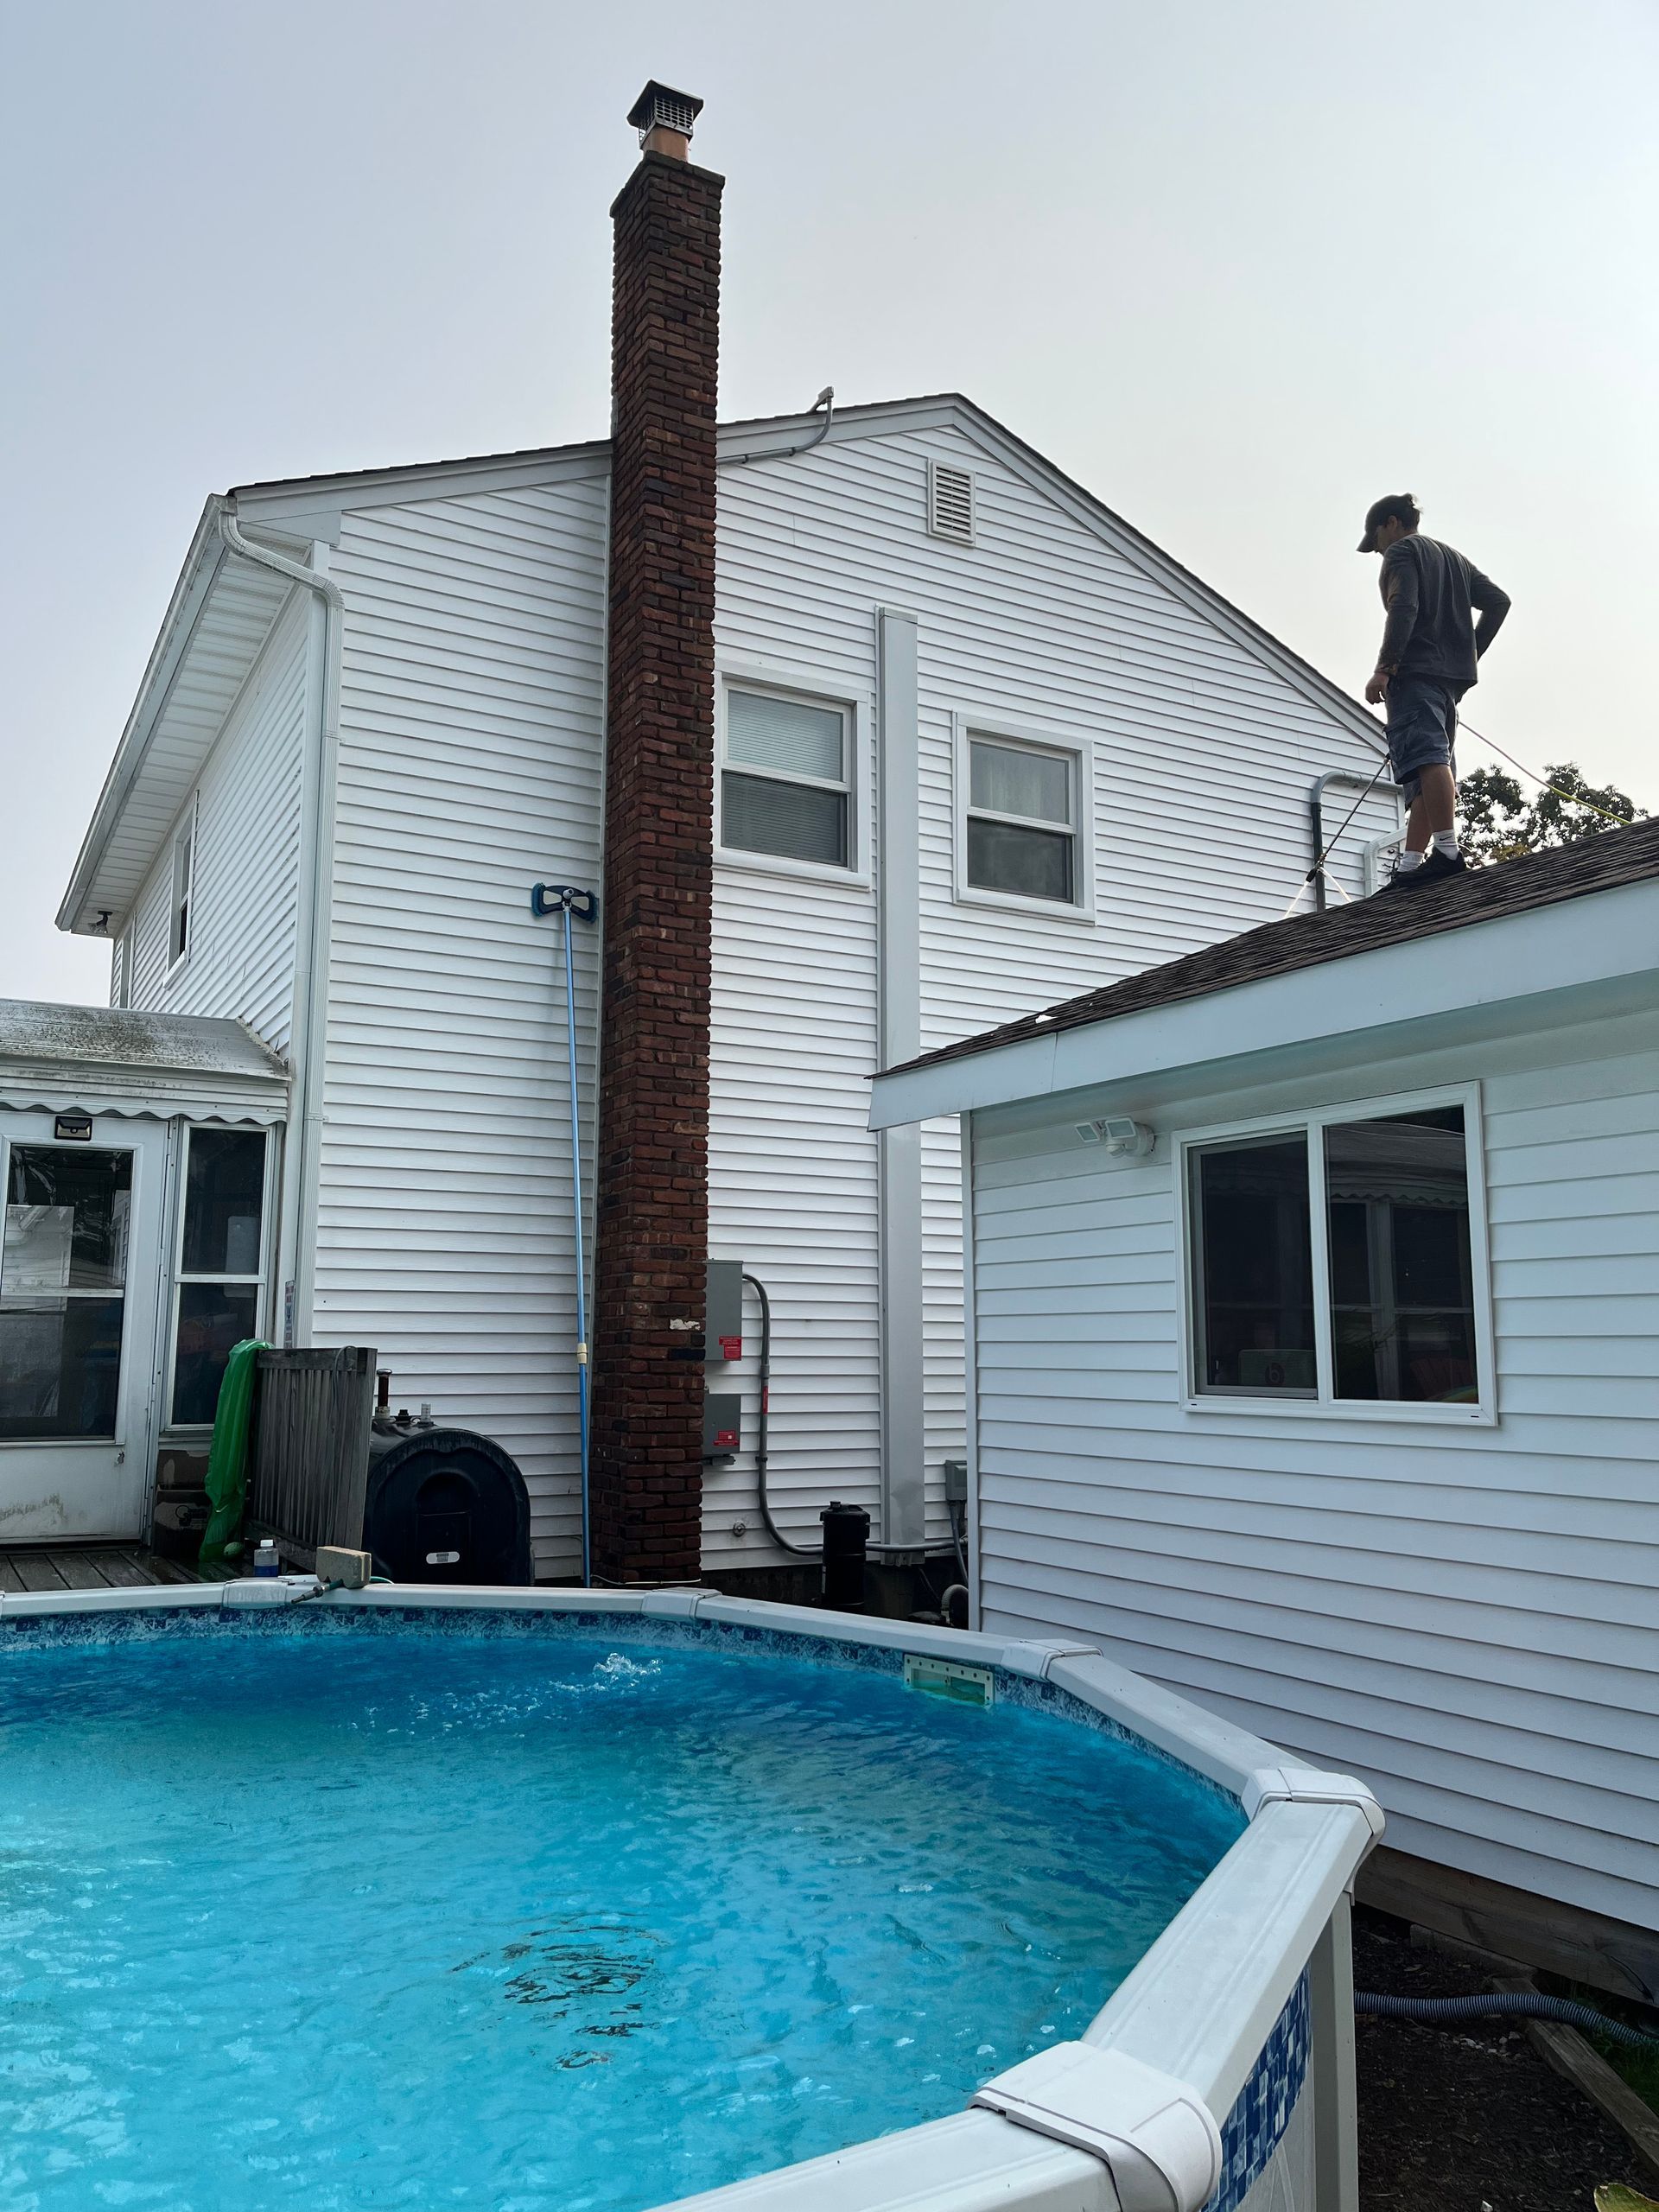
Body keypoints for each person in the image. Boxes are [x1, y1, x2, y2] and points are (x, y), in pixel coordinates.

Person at [1358, 494, 1510, 887]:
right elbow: (1498, 602)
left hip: (1416, 673)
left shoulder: (1403, 552)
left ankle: (1447, 851)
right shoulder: (1453, 558)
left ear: (1391, 523)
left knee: (1427, 759)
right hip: (1447, 680)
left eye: (1375, 540)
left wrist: (1385, 669)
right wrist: (1468, 655)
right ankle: (1410, 864)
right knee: (1428, 766)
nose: (1378, 550)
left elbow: (1403, 608)